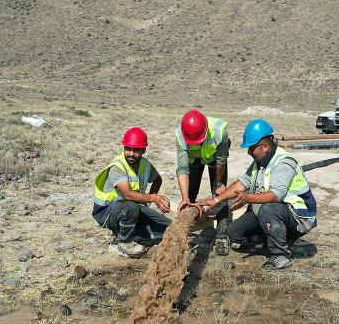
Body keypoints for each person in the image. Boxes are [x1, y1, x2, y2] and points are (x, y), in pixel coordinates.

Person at [197, 119, 317, 270]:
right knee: (234, 233)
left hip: (297, 216)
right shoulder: (259, 162)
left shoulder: (283, 162)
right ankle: (273, 238)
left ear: (265, 147)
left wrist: (248, 197)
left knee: (268, 209)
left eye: (251, 148)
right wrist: (216, 200)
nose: (248, 152)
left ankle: (281, 255)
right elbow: (242, 183)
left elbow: (275, 195)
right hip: (271, 212)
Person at [92, 127, 172, 258]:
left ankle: (137, 236)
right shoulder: (117, 167)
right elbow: (127, 194)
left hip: (130, 209)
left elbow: (158, 179)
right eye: (128, 149)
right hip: (107, 212)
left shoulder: (145, 164)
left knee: (168, 226)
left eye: (136, 150)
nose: (131, 153)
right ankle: (124, 242)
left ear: (144, 150)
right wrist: (152, 198)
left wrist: (151, 199)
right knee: (131, 206)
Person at [175, 110, 231, 255]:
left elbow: (221, 160)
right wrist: (185, 197)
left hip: (216, 161)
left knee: (221, 196)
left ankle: (222, 235)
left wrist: (217, 183)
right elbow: (182, 169)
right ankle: (185, 231)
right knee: (190, 195)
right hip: (194, 161)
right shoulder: (180, 134)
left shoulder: (220, 131)